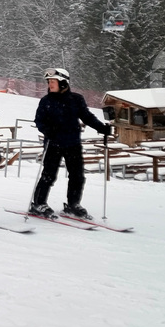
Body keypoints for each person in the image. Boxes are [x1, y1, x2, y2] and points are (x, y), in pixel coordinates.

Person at [29, 67, 112, 220]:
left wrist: (102, 128)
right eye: (49, 82)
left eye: (53, 81)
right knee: (48, 175)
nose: (50, 84)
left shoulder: (76, 99)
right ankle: (38, 203)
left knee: (77, 175)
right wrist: (47, 130)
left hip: (72, 143)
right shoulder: (46, 101)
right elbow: (39, 121)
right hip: (53, 143)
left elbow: (87, 117)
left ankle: (73, 204)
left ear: (63, 82)